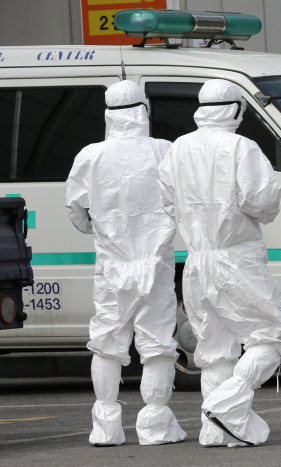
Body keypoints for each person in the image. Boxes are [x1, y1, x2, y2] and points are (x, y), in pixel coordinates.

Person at [158, 79, 281, 447]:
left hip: (197, 262)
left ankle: (216, 432)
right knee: (273, 338)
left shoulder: (178, 149)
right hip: (236, 260)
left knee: (214, 350)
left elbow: (168, 203)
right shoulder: (241, 147)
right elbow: (263, 204)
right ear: (235, 109)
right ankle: (225, 406)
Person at [66, 80, 186, 446]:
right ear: (144, 111)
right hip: (157, 263)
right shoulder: (165, 151)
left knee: (106, 342)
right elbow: (180, 201)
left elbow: (75, 209)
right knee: (157, 342)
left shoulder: (90, 155)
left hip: (112, 265)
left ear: (107, 115)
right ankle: (155, 425)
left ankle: (106, 427)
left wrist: (102, 233)